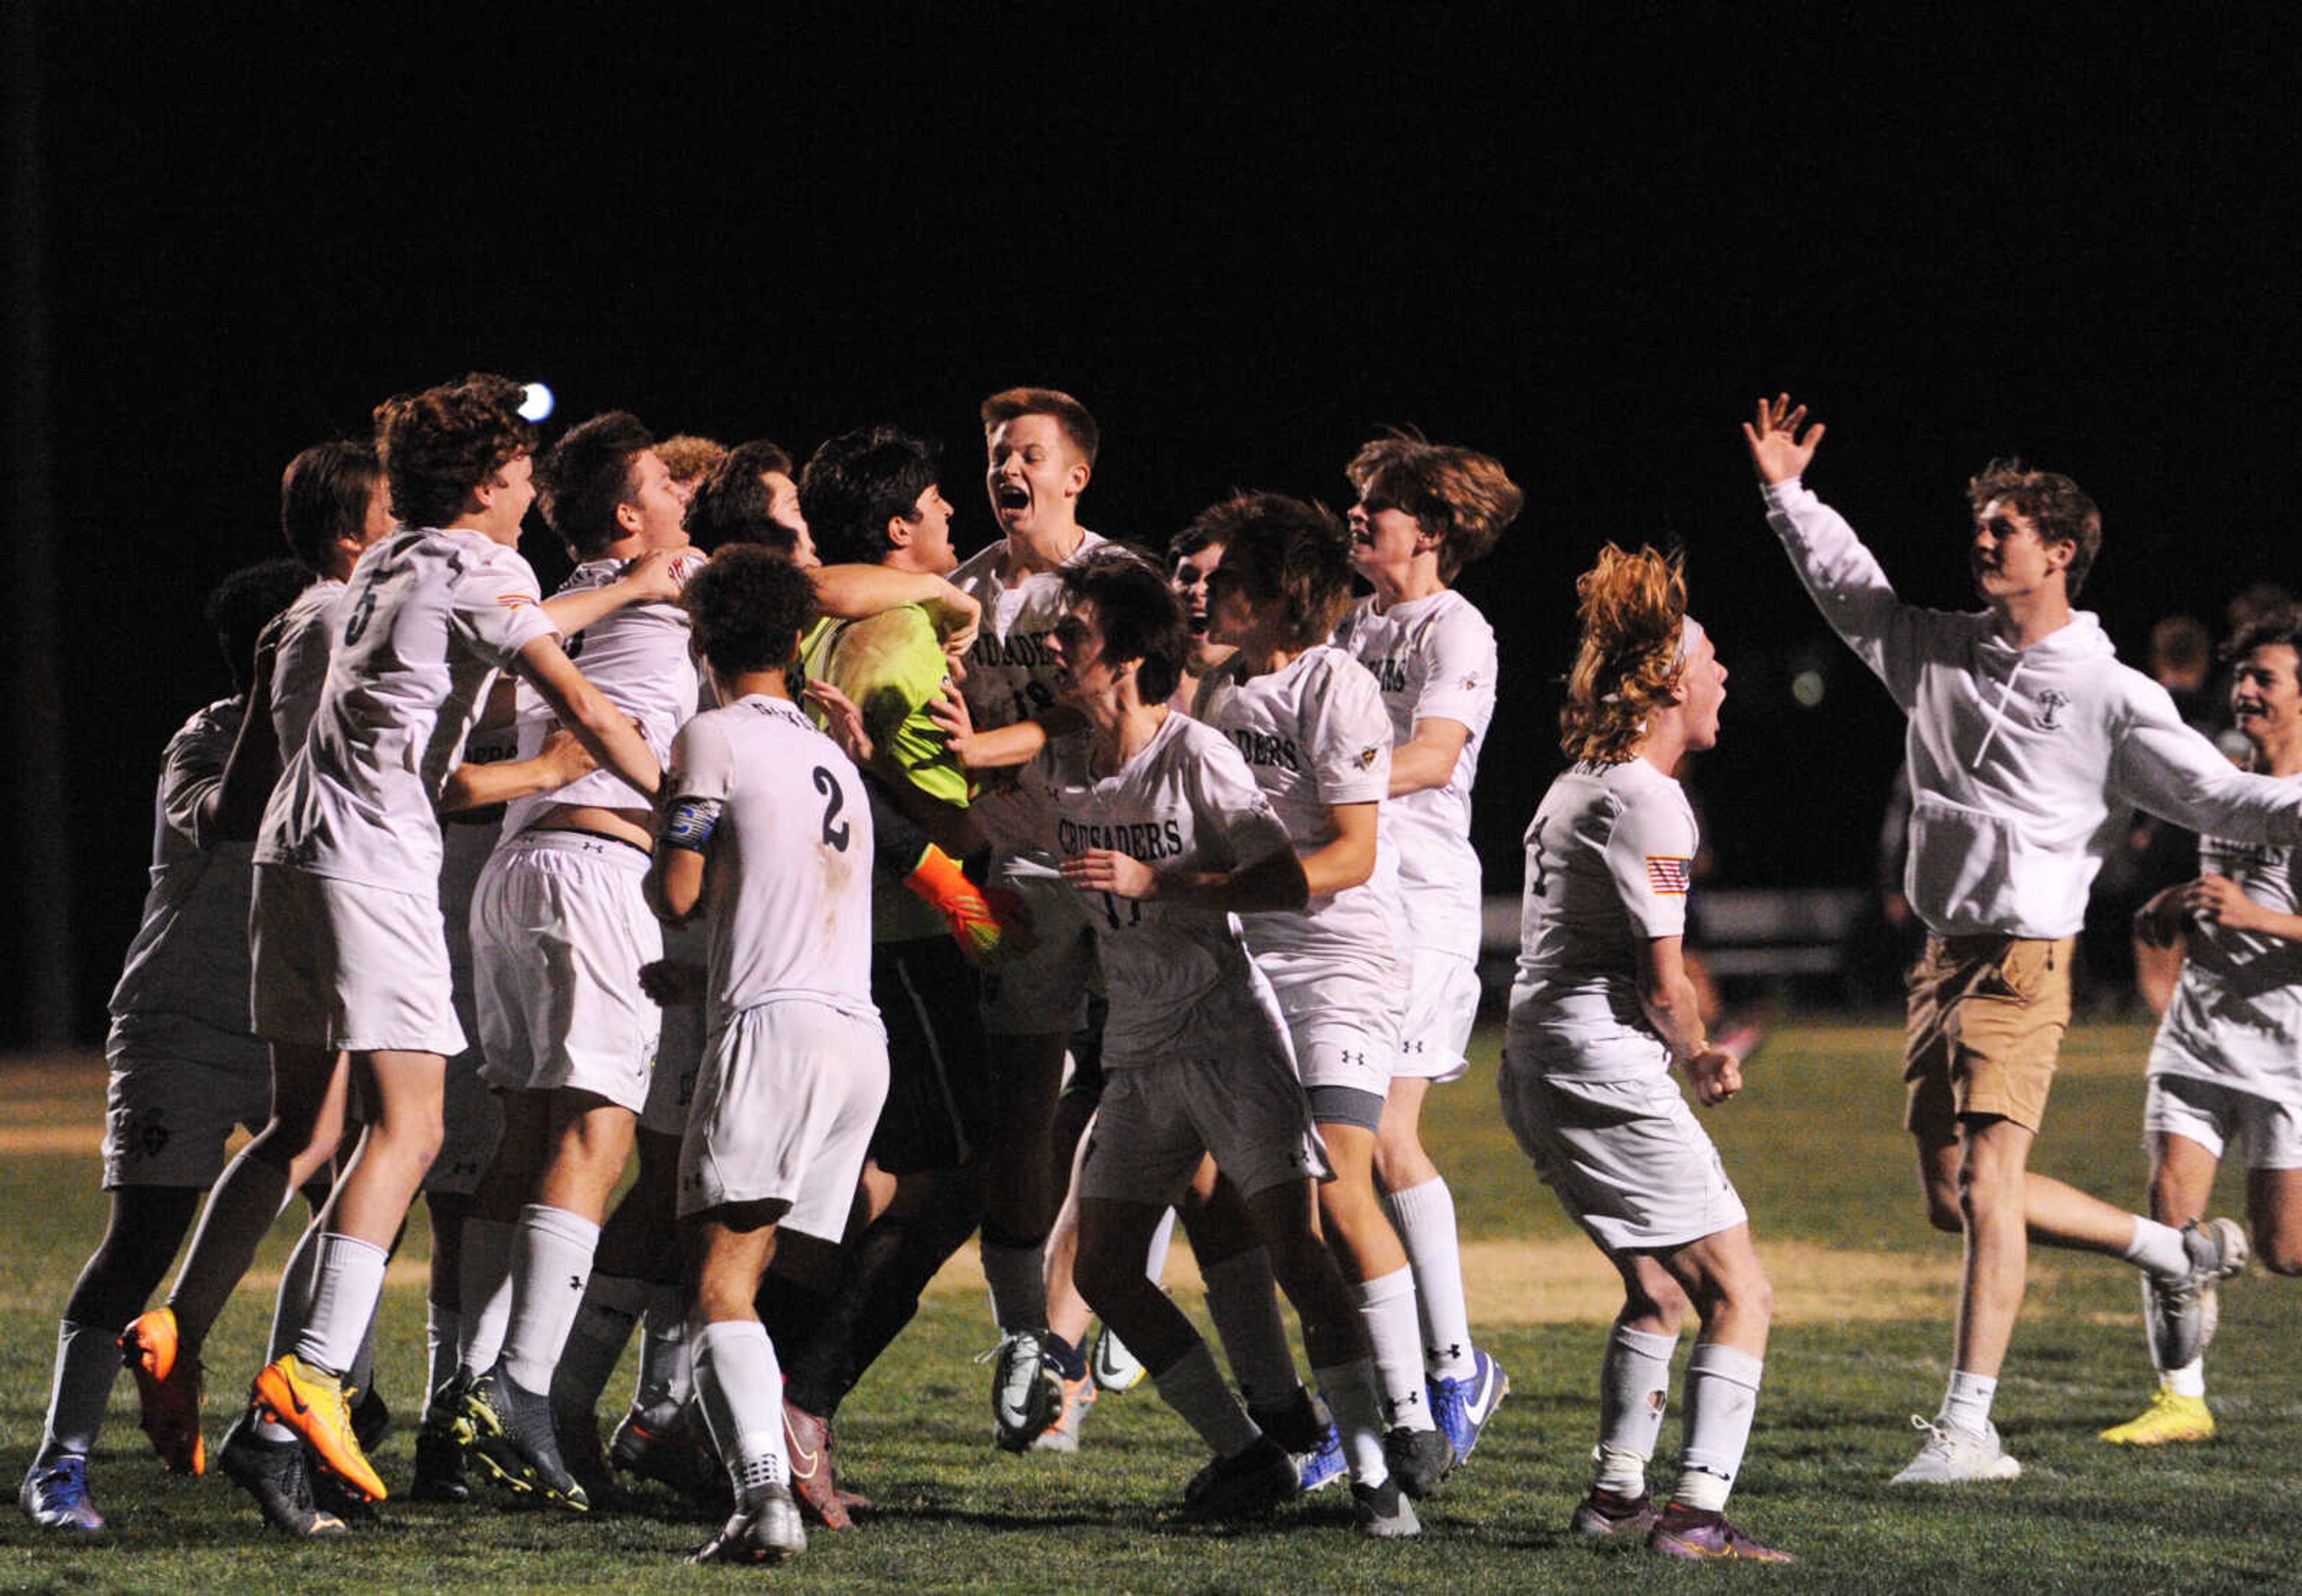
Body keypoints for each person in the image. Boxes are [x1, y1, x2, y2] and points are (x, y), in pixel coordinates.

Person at [1744, 393, 2280, 1484]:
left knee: (1993, 1185)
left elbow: (2223, 797)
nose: (1981, 540)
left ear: (2063, 552)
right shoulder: (1936, 650)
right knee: (1955, 1200)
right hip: (1940, 962)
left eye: (2004, 528)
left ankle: (1968, 1430)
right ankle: (2172, 1250)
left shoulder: (2112, 692)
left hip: (2027, 963)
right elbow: (1851, 589)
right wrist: (1786, 494)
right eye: (1979, 524)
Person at [218, 372, 662, 1537]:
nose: (528, 499)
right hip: (372, 865)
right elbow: (588, 705)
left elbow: (465, 734)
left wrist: (605, 632)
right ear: (481, 487)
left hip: (292, 858)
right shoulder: (485, 566)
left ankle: (288, 1414)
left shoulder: (389, 561)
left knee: (332, 1137)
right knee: (406, 1131)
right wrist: (689, 805)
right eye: (517, 479)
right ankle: (295, 1399)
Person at [968, 550, 1415, 1535]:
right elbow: (986, 819)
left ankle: (1378, 1473)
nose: (1054, 644)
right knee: (1104, 1269)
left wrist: (1157, 885)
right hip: (1138, 1047)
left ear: (1127, 656)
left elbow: (1285, 879)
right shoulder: (1065, 762)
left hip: (1225, 1033)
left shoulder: (1196, 756)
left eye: (1073, 632)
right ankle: (1246, 1454)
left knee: (1298, 1247)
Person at [1502, 543, 1789, 1562]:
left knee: (1659, 1289)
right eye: (1706, 659)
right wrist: (1703, 1053)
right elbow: (1662, 977)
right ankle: (1697, 1516)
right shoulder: (1651, 797)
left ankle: (1617, 1497)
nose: (1719, 676)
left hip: (1535, 1062)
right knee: (1742, 1292)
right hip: (1597, 1066)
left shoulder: (1580, 780)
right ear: (1667, 678)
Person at [18, 558, 314, 1532]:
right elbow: (229, 820)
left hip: (296, 1022)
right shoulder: (211, 734)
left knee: (361, 1201)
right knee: (139, 1237)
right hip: (181, 1020)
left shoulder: (347, 736)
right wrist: (273, 696)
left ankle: (278, 1385)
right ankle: (59, 1463)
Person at [453, 411, 705, 1511]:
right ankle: (526, 1399)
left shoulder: (560, 604)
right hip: (600, 868)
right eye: (667, 482)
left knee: (526, 1142)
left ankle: (459, 1397)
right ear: (627, 511)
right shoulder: (676, 571)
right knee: (597, 1135)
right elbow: (824, 593)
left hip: (513, 874)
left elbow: (512, 640)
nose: (684, 498)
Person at [1194, 492, 1454, 1497]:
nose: (1206, 592)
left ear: (1270, 598)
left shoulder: (1337, 688)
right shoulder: (1219, 694)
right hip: (1245, 960)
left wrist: (1208, 886)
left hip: (1340, 956)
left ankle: (1406, 1408)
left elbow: (1350, 854)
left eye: (1224, 581)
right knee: (1216, 1196)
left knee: (1340, 1183)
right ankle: (1282, 1414)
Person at [645, 546, 889, 1565]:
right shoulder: (837, 753)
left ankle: (759, 1493)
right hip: (855, 1037)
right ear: (797, 643)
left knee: (718, 1280)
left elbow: (680, 892)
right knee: (757, 1263)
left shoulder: (711, 734)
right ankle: (733, 1441)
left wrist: (667, 823)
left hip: (775, 1033)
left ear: (702, 644)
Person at [1331, 432, 1520, 1468]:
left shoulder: (1459, 631)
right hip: (1348, 905)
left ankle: (1452, 1371)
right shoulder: (1349, 624)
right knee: (1328, 1156)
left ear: (1433, 528)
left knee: (1381, 1145)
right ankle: (1372, 1401)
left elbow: (1436, 754)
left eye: (1378, 503)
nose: (1357, 514)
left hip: (1426, 908)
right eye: (1355, 499)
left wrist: (1330, 775)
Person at [946, 386, 1110, 1449]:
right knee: (1016, 1115)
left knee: (1140, 1097)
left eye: (1029, 454)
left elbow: (1097, 713)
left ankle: (1094, 1306)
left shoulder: (1115, 582)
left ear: (1075, 475)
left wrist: (986, 749)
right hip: (1013, 877)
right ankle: (1036, 1346)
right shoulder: (959, 593)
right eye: (999, 452)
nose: (1010, 470)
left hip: (1116, 864)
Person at [2101, 606, 2302, 1444]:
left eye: (2265, 678)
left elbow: (2260, 910)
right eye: (2242, 674)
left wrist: (2257, 913)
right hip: (2196, 1038)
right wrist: (2172, 902)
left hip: (2287, 1054)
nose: (2244, 690)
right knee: (2168, 1229)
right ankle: (2181, 1397)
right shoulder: (2224, 782)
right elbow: (2216, 896)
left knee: (2286, 1250)